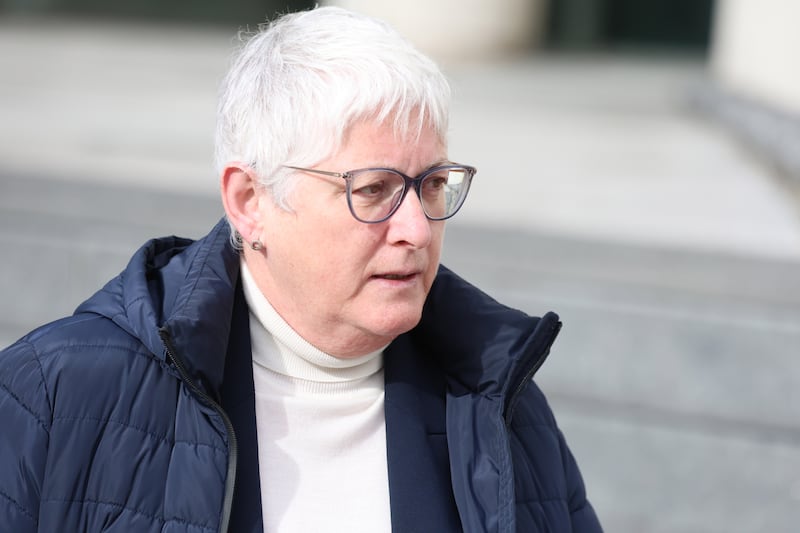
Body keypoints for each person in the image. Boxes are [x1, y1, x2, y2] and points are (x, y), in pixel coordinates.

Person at [0, 6, 602, 533]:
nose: (417, 229)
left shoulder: (501, 402)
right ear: (250, 202)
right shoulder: (55, 396)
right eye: (374, 190)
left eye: (433, 185)